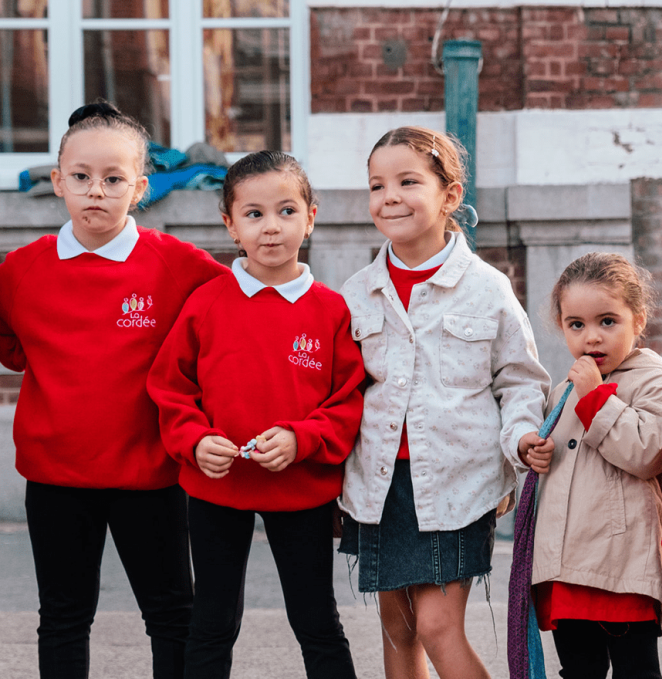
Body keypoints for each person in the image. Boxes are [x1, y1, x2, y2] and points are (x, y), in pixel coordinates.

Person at [0, 101, 227, 678]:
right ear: (58, 182)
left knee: (173, 615)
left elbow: (233, 323)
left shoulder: (177, 264)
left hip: (152, 477)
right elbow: (13, 344)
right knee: (63, 618)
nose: (95, 191)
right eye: (80, 177)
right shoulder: (21, 270)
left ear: (141, 187)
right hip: (55, 480)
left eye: (113, 178)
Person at [339, 126, 549, 679]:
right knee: (398, 625)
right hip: (379, 483)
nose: (390, 196)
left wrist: (520, 440)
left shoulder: (486, 287)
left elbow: (520, 379)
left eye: (408, 181)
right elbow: (342, 390)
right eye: (377, 184)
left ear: (450, 196)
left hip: (457, 483)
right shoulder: (357, 291)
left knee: (436, 625)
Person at [146, 151, 363, 679]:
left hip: (301, 491)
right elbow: (170, 387)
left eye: (287, 211)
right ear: (230, 224)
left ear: (311, 216)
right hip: (216, 489)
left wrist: (302, 438)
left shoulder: (332, 309)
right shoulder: (205, 303)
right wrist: (195, 441)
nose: (271, 228)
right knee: (213, 622)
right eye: (254, 214)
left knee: (316, 620)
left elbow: (348, 400)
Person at [521, 252, 662, 679]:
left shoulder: (653, 379)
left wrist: (595, 400)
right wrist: (536, 454)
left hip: (622, 568)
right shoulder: (562, 391)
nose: (592, 337)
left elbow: (647, 453)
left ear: (639, 320)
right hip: (566, 571)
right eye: (577, 325)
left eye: (607, 322)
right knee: (578, 671)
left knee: (637, 672)